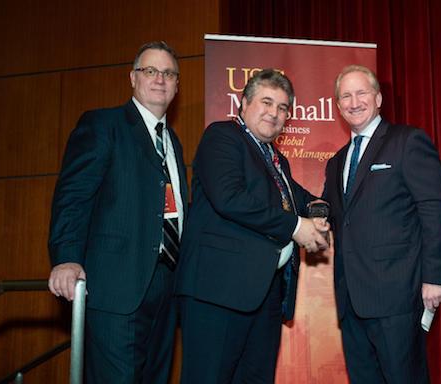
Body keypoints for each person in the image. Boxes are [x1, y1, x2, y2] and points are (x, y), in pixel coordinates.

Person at [175, 69, 329, 384]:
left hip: (263, 295)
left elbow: (302, 199)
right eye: (267, 102)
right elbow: (230, 198)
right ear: (243, 103)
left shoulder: (275, 160)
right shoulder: (222, 136)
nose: (274, 113)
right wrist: (296, 227)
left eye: (283, 107)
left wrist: (326, 211)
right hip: (218, 293)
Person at [47, 41, 187, 383]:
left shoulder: (174, 142)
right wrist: (65, 257)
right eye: (150, 71)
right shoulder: (102, 125)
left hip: (166, 291)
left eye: (168, 73)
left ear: (177, 85)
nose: (159, 79)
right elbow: (73, 196)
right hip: (116, 290)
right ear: (132, 78)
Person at [322, 65, 441, 383]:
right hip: (351, 300)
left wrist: (434, 278)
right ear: (338, 106)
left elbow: (436, 209)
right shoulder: (336, 162)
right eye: (346, 97)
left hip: (398, 296)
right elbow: (330, 213)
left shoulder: (408, 141)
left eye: (361, 93)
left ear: (378, 98)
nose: (354, 102)